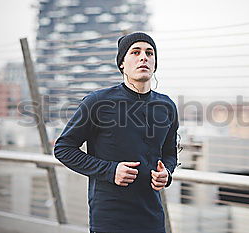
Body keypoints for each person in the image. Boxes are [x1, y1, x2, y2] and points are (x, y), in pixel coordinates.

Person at [54, 32, 179, 233]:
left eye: (149, 53)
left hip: (152, 219)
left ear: (155, 63)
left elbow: (170, 153)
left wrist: (167, 173)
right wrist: (110, 171)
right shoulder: (98, 102)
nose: (143, 58)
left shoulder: (167, 106)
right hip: (110, 219)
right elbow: (63, 148)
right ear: (122, 63)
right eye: (135, 52)